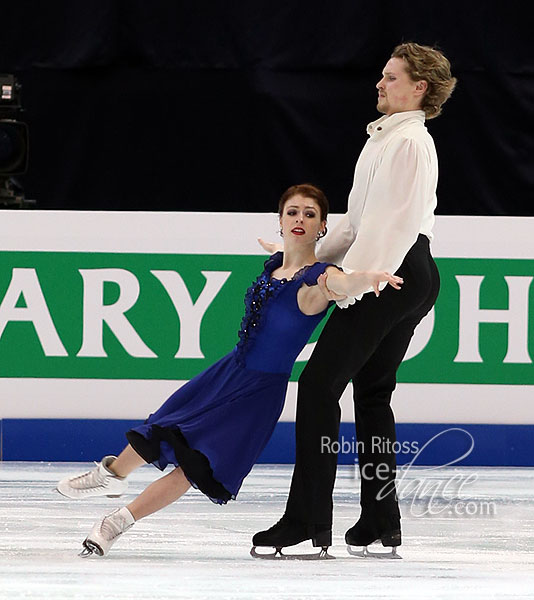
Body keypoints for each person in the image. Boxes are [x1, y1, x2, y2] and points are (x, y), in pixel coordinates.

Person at [56, 183, 402, 557]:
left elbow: (340, 282)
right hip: (228, 371)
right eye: (292, 212)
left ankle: (115, 523)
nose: (299, 219)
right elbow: (286, 258)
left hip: (257, 394)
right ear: (280, 221)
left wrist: (366, 279)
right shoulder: (277, 266)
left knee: (196, 464)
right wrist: (282, 250)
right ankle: (111, 474)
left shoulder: (317, 278)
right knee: (164, 426)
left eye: (310, 214)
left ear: (322, 227)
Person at [253, 43, 457, 558]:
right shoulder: (385, 140)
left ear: (419, 88)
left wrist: (354, 283)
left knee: (319, 384)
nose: (379, 84)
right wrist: (309, 256)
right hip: (402, 270)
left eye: (391, 78)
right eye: (382, 76)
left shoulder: (410, 143)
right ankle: (380, 520)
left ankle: (305, 519)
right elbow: (355, 222)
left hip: (393, 270)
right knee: (371, 394)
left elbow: (393, 226)